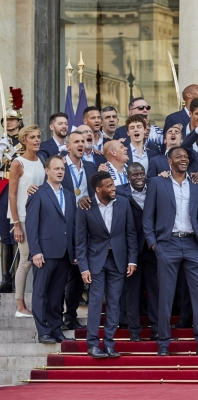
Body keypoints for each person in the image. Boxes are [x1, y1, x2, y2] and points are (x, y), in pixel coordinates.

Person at [143, 147, 198, 356]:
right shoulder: (158, 183)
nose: (183, 159)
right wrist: (154, 244)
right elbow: (147, 217)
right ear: (169, 161)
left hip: (194, 245)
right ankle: (163, 343)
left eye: (186, 157)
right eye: (179, 157)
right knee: (165, 296)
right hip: (167, 245)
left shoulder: (196, 183)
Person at [76, 171, 137, 358]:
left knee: (114, 303)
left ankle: (109, 344)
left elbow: (131, 233)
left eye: (113, 185)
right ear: (98, 189)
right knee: (95, 302)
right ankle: (93, 344)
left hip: (118, 260)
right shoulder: (86, 206)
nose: (113, 189)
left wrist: (132, 260)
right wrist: (83, 267)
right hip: (95, 261)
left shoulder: (123, 202)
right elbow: (80, 240)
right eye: (109, 186)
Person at [25, 155, 76, 343]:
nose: (60, 171)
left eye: (62, 168)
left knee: (56, 294)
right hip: (44, 253)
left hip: (64, 253)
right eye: (56, 169)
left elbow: (72, 225)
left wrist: (75, 251)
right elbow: (31, 225)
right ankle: (43, 331)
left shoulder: (69, 196)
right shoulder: (38, 194)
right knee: (40, 293)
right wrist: (36, 251)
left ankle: (56, 329)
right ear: (47, 171)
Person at [116, 163, 159, 341]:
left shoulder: (155, 188)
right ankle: (134, 329)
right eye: (134, 175)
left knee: (155, 290)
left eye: (141, 174)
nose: (139, 177)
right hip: (130, 250)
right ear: (127, 177)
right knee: (131, 292)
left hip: (152, 249)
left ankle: (157, 328)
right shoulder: (118, 192)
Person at [8, 125, 45, 317]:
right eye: (33, 137)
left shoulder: (41, 161)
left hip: (40, 217)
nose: (37, 140)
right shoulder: (17, 163)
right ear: (24, 141)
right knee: (25, 261)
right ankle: (20, 306)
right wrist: (16, 224)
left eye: (38, 137)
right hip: (22, 218)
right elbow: (12, 196)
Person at [62, 131, 96, 330]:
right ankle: (56, 315)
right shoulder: (59, 165)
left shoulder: (90, 167)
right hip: (64, 225)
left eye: (83, 141)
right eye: (76, 142)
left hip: (84, 226)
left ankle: (71, 315)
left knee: (77, 273)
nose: (81, 144)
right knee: (61, 274)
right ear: (68, 146)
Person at [0, 101, 24, 293]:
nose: (8, 122)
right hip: (3, 187)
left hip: (19, 188)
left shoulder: (23, 142)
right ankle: (5, 278)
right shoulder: (1, 141)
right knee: (4, 234)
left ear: (19, 121)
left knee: (17, 232)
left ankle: (17, 278)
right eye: (6, 119)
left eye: (12, 119)